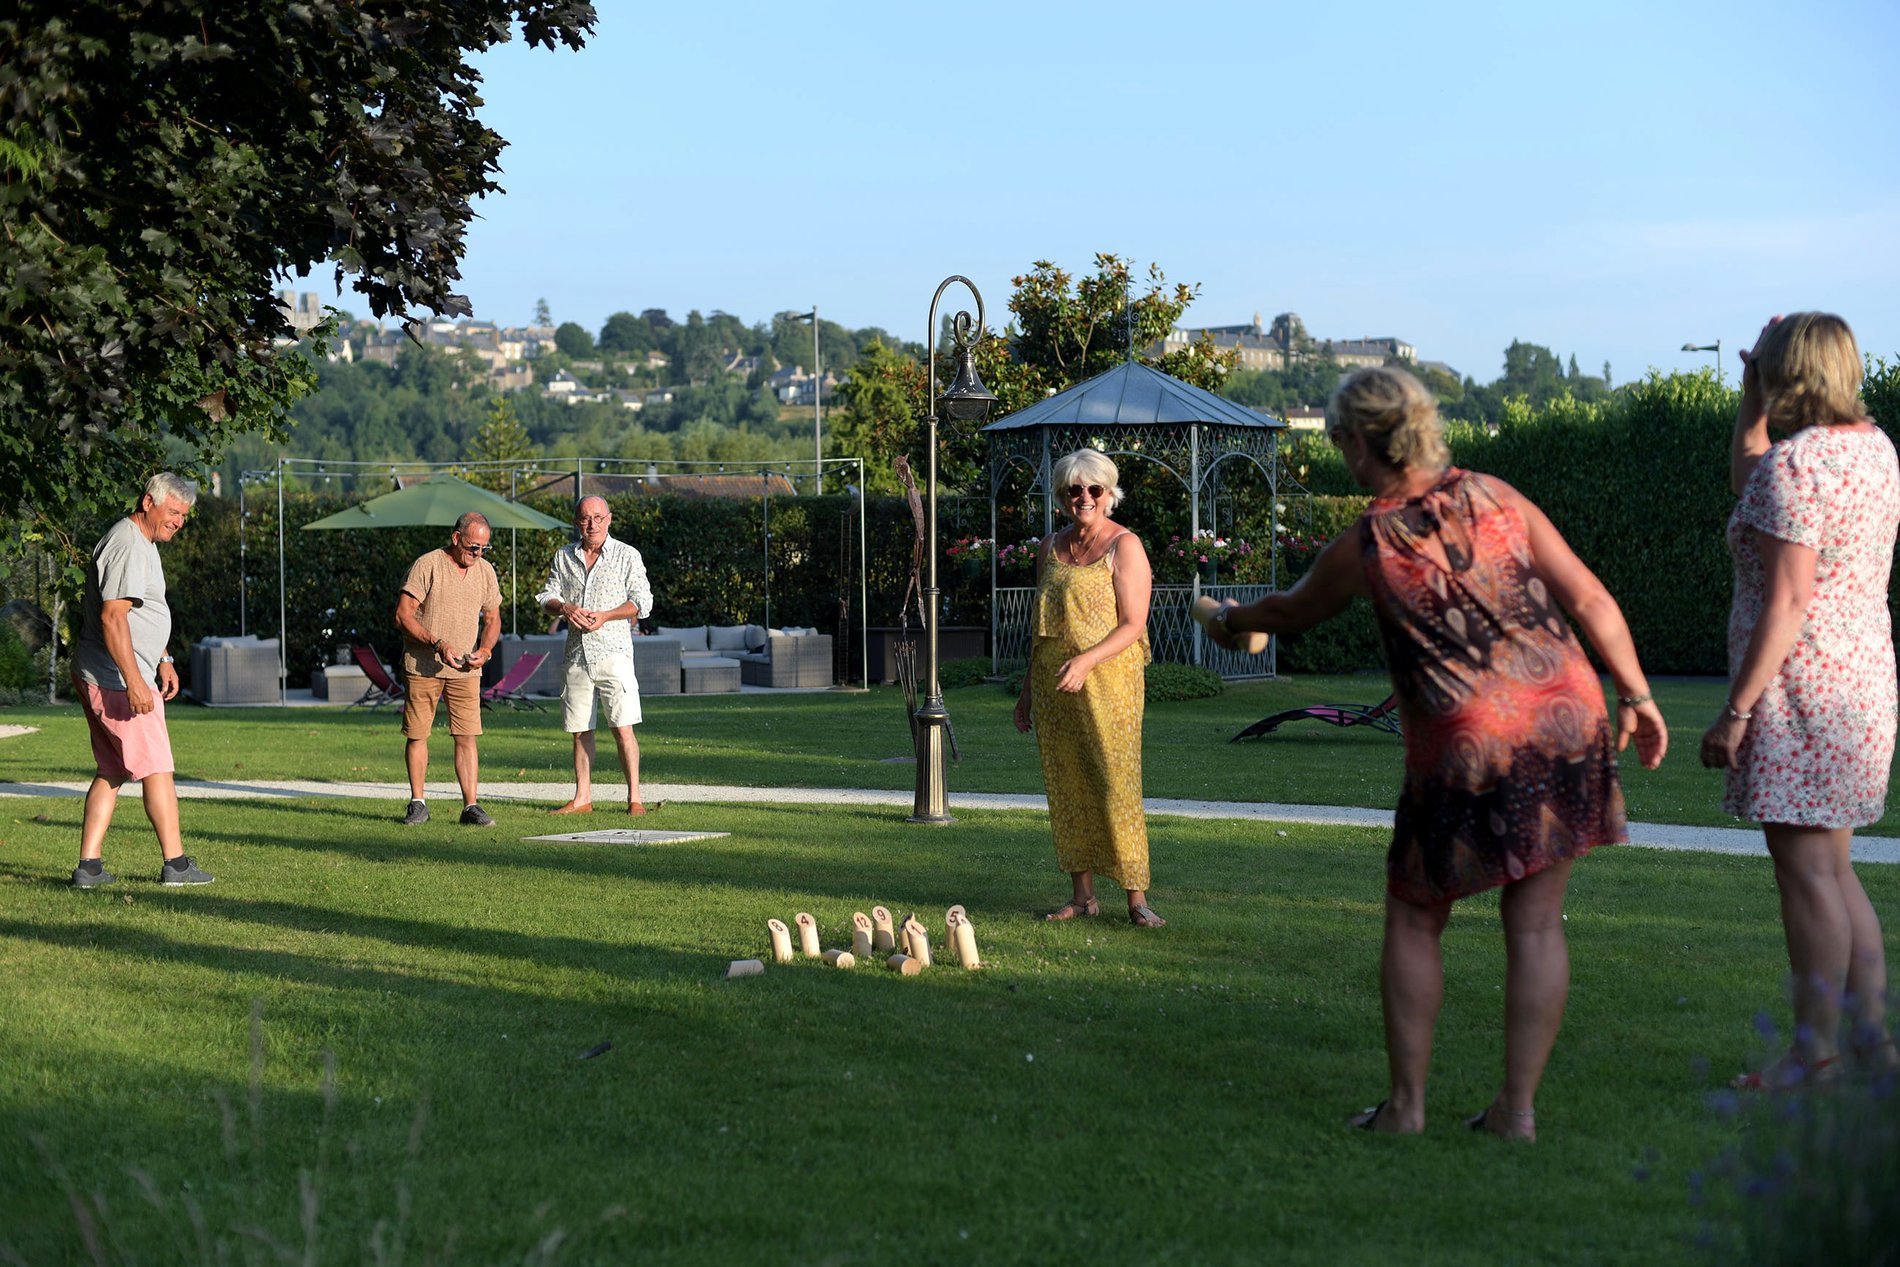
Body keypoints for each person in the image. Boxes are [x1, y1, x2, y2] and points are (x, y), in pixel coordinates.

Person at [1205, 366, 1667, 1140]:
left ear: (1360, 441)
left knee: (1417, 916)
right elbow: (1589, 598)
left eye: (1339, 438)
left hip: (1469, 735)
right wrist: (1639, 694)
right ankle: (1516, 1113)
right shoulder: (1498, 495)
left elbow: (1288, 612)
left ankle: (1406, 1109)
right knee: (1536, 921)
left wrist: (1230, 619)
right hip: (1566, 716)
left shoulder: (1368, 542)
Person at [1699, 313, 1900, 1087]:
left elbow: (1787, 603)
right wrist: (1750, 402)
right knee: (1835, 871)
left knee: (1808, 874)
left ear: (1790, 374)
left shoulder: (1800, 464)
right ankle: (1872, 1045)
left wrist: (1737, 712)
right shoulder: (1874, 449)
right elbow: (1749, 479)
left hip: (1799, 693)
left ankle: (1815, 1055)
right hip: (1860, 688)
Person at [1012, 449, 1164, 927]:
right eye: (1074, 489)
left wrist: (1087, 660)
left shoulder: (1125, 545)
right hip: (1055, 685)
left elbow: (1133, 623)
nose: (1085, 497)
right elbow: (1041, 631)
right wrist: (1027, 691)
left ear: (1109, 493)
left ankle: (1137, 899)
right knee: (1068, 785)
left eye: (1094, 489)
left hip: (1110, 683)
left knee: (1115, 785)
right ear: (1062, 496)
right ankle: (1082, 898)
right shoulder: (1049, 547)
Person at [69, 472, 215, 888]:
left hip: (110, 672)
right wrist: (135, 682)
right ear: (148, 502)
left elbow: (143, 613)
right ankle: (177, 865)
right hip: (115, 678)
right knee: (158, 768)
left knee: (112, 769)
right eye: (174, 512)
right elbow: (113, 618)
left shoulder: (143, 542)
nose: (179, 522)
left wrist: (163, 658)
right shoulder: (128, 543)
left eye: (184, 515)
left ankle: (89, 868)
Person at [535, 495, 654, 815]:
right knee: (580, 730)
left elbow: (643, 602)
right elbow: (546, 596)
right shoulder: (563, 556)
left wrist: (606, 616)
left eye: (598, 517)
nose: (592, 524)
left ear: (609, 519)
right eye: (586, 518)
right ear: (577, 521)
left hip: (614, 654)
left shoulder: (627, 555)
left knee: (623, 728)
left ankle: (635, 799)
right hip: (576, 656)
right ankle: (582, 799)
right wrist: (565, 607)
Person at [393, 511, 502, 826]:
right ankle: (418, 803)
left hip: (465, 670)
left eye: (484, 548)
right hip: (423, 666)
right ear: (456, 538)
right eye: (473, 547)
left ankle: (471, 807)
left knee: (467, 736)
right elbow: (402, 615)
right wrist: (438, 644)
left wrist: (485, 650)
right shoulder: (427, 565)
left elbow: (493, 618)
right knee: (418, 734)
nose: (478, 554)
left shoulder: (485, 571)